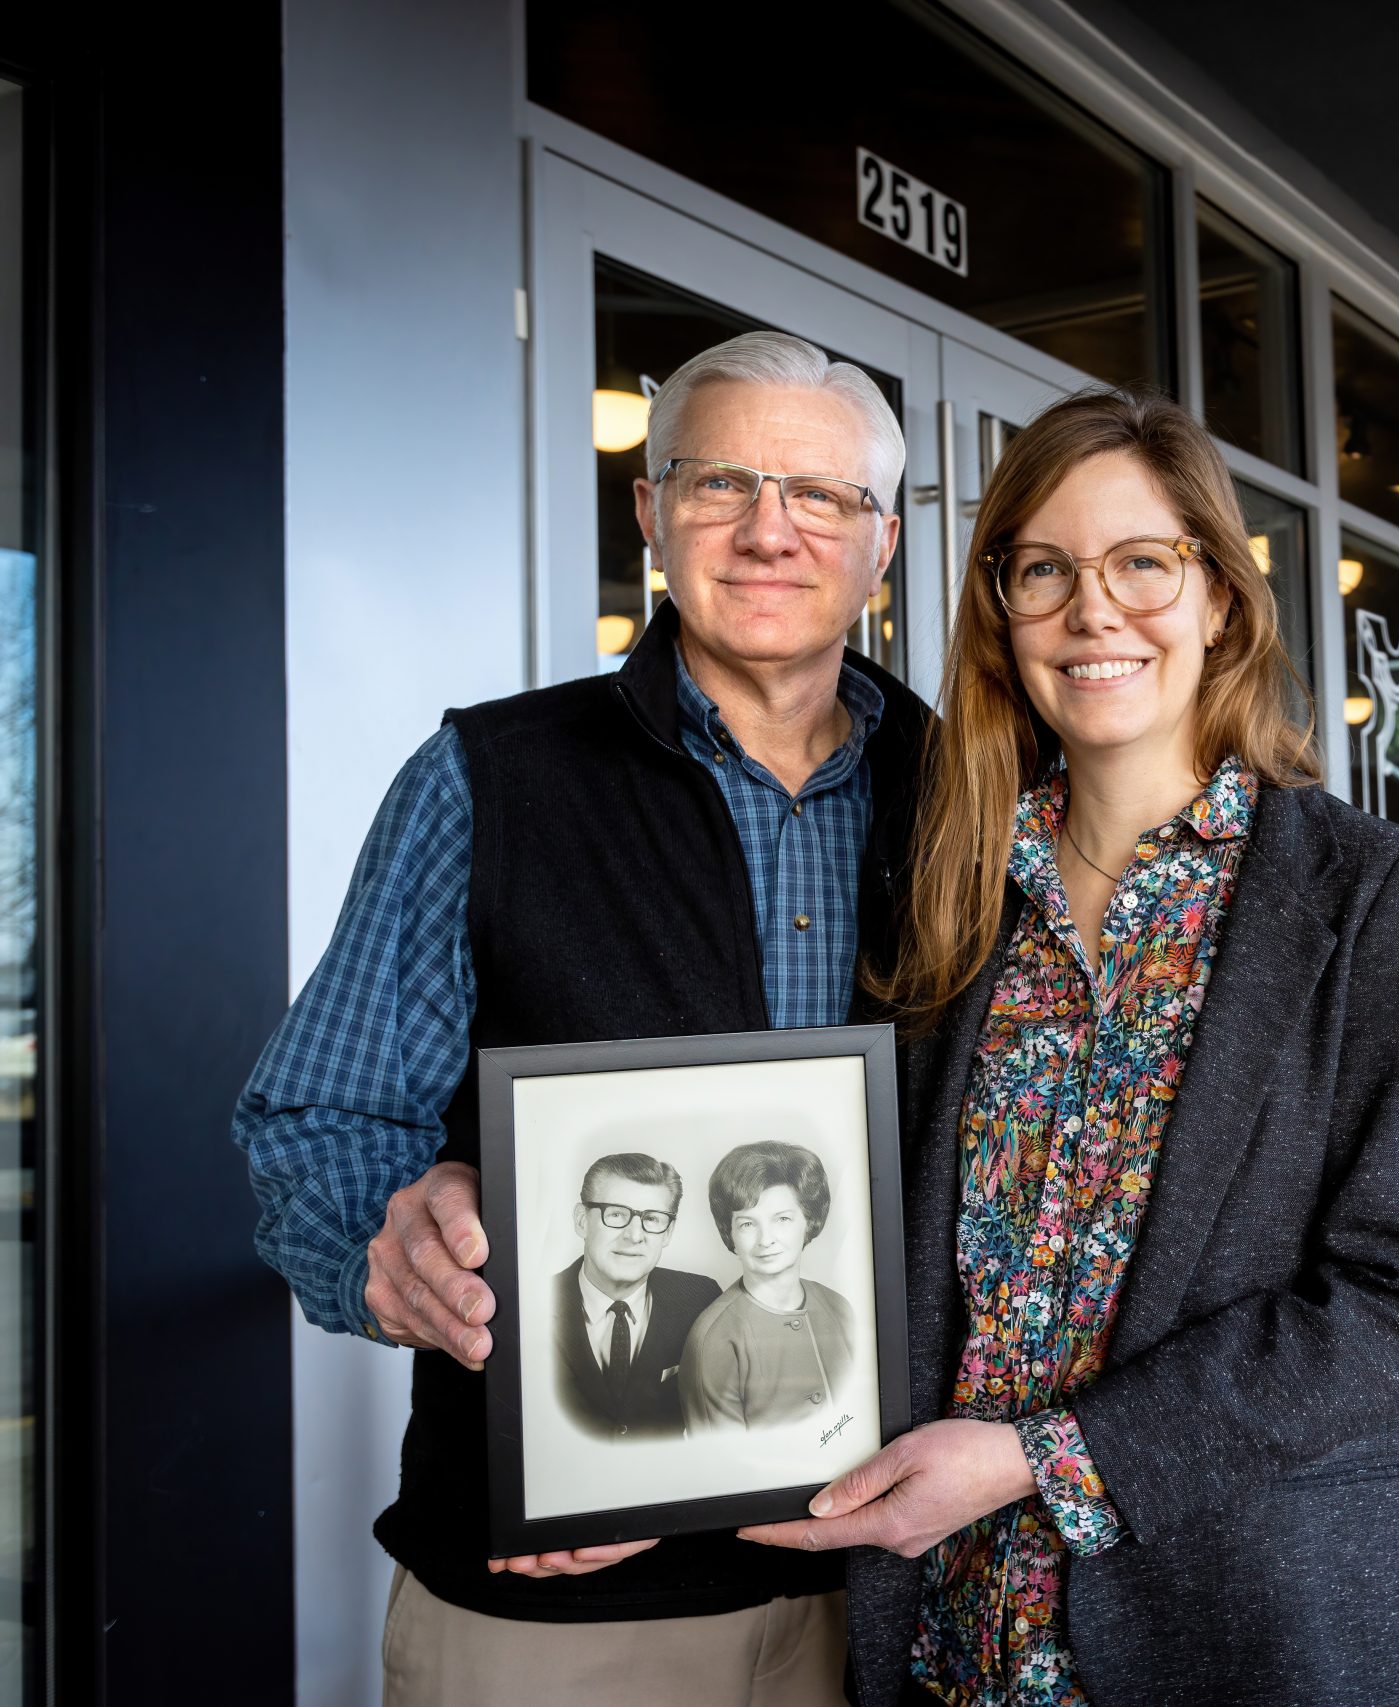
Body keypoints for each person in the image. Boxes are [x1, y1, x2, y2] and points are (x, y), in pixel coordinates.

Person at [738, 391, 1399, 1707]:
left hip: (1251, 1625)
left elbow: (1395, 1303)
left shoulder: (1366, 889)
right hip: (955, 1633)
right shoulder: (951, 893)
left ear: (1219, 601)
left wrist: (1040, 1456)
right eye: (1045, 569)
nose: (1095, 610)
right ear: (1002, 612)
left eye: (1143, 561)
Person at [232, 329, 927, 1706]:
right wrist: (392, 1237)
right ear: (650, 510)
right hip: (566, 1606)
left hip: (900, 1578)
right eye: (721, 480)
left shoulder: (971, 796)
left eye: (821, 495)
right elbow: (313, 1123)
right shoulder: (488, 777)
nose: (769, 529)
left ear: (882, 541)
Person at [681, 1140, 860, 1433]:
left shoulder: (839, 1308)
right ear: (731, 1233)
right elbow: (726, 1467)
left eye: (782, 1219)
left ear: (808, 1222)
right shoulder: (712, 1340)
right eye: (748, 1224)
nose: (766, 1239)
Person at [557, 1152, 719, 1440]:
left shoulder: (701, 1299)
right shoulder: (532, 1306)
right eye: (616, 1214)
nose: (634, 1235)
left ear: (667, 1232)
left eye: (652, 1219)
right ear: (582, 1221)